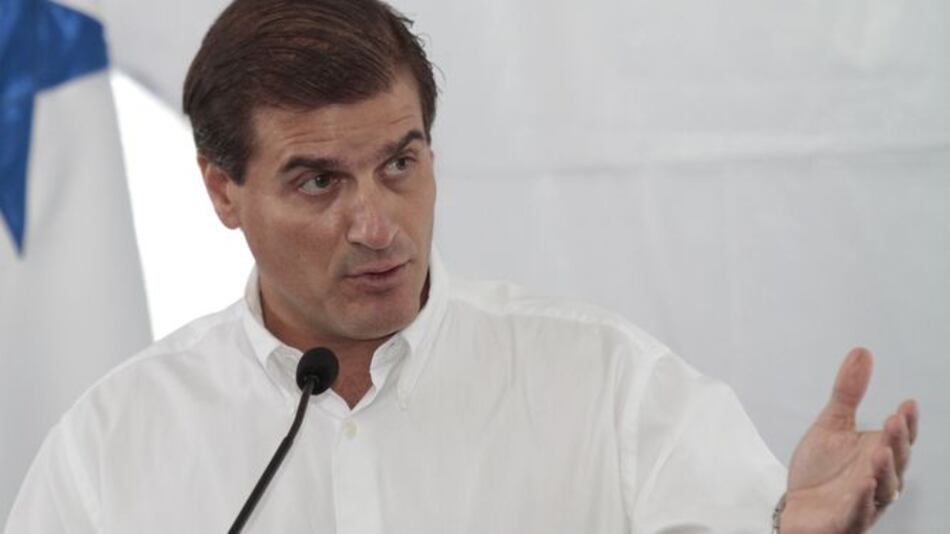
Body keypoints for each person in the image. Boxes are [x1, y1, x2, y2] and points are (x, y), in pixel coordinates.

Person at [4, 0, 918, 532]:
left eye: (400, 163)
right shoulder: (111, 447)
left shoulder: (609, 387)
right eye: (319, 182)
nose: (377, 226)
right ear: (222, 191)